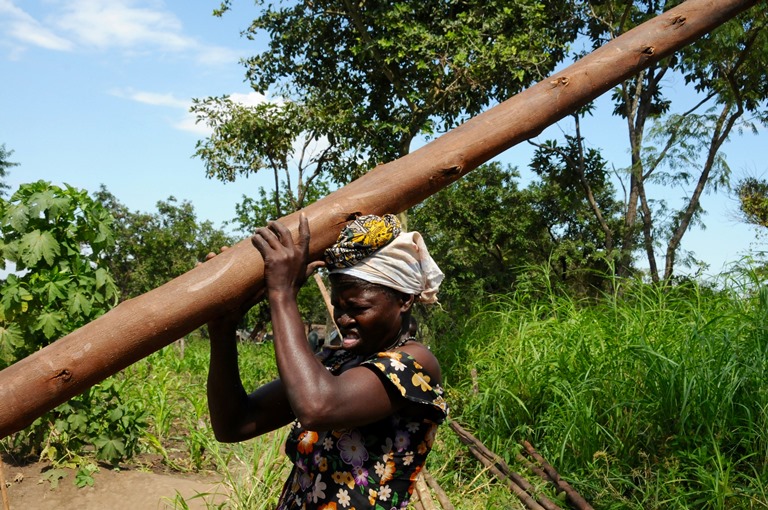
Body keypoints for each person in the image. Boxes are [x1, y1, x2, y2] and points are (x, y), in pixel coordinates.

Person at [206, 213, 448, 509]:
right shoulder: (339, 360)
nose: (343, 319)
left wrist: (281, 293)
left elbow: (317, 407)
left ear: (405, 300)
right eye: (337, 306)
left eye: (358, 307)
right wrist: (222, 328)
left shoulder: (414, 364)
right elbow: (234, 425)